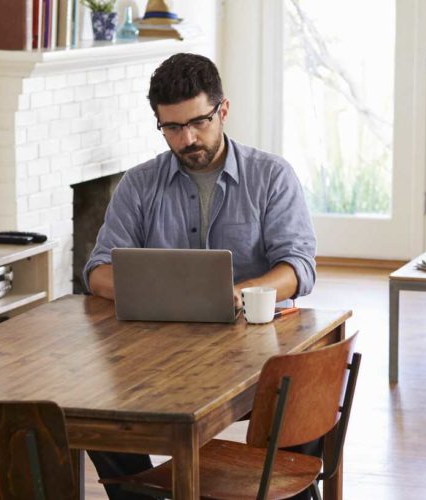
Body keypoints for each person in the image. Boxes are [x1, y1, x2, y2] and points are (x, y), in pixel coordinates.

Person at [81, 53, 318, 499]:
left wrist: (238, 295)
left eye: (198, 122)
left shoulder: (271, 176)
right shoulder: (139, 184)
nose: (187, 138)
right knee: (92, 409)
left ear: (222, 110)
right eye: (171, 127)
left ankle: (286, 488)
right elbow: (97, 271)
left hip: (254, 349)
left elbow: (298, 267)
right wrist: (160, 294)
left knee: (303, 393)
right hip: (158, 354)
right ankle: (138, 494)